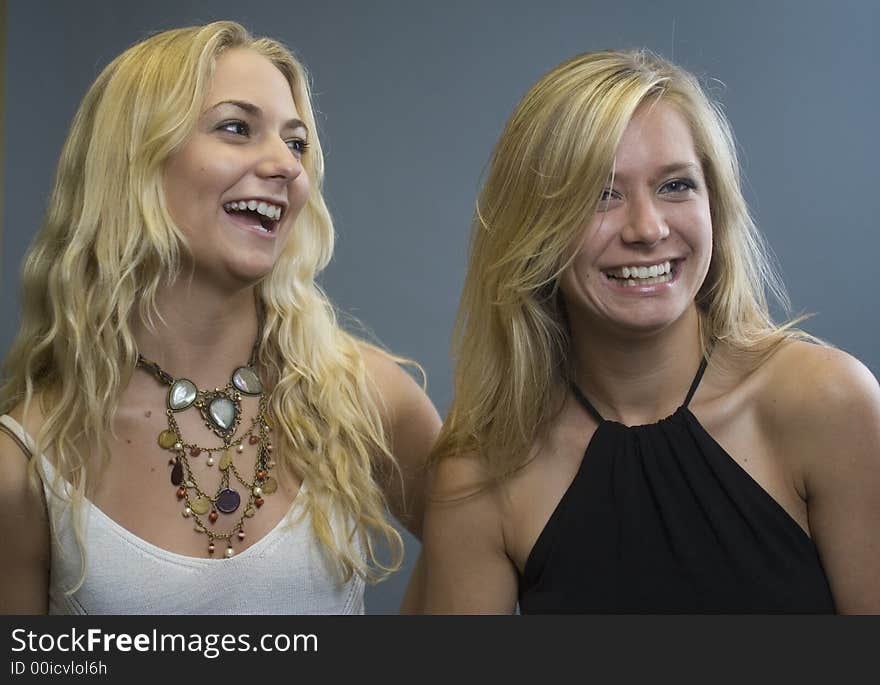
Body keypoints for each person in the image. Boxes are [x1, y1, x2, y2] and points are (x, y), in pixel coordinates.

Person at [414, 50, 880, 614]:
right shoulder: (484, 472)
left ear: (716, 205)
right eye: (600, 195)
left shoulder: (830, 404)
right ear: (533, 230)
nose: (647, 229)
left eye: (676, 186)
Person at [0, 21, 440, 615]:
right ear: (133, 161)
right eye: (237, 128)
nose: (285, 165)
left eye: (297, 142)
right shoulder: (27, 460)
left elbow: (495, 555)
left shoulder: (367, 399)